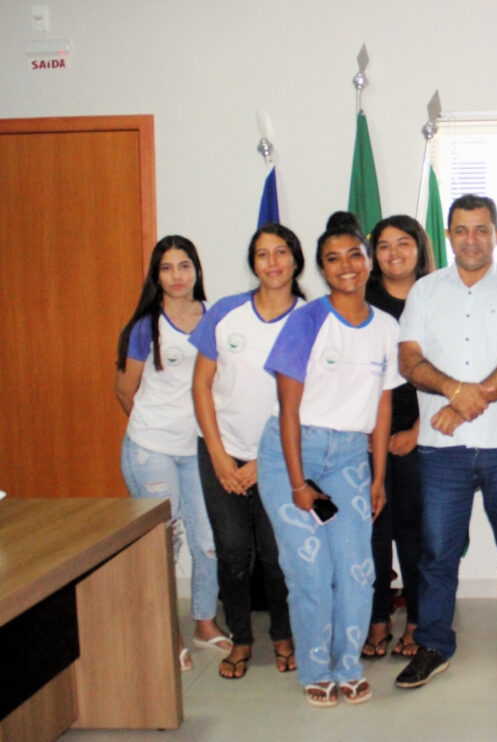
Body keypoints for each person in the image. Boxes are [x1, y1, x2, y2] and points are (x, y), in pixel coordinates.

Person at [395, 194, 497, 692]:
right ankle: (434, 645)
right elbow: (409, 359)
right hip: (441, 452)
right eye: (461, 229)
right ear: (448, 236)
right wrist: (454, 392)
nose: (471, 239)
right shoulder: (424, 291)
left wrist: (467, 400)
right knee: (437, 555)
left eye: (481, 229)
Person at [258, 212, 401, 708]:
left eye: (354, 255)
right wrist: (299, 483)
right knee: (310, 569)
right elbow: (288, 409)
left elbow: (383, 404)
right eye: (332, 259)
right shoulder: (307, 321)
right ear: (321, 268)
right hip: (291, 454)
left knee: (358, 566)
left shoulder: (386, 326)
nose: (346, 266)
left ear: (367, 261)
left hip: (349, 459)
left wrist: (379, 475)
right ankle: (316, 669)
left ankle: (349, 666)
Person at [190, 224, 306, 678]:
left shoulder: (310, 319)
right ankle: (240, 639)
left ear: (295, 260)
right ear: (252, 263)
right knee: (234, 553)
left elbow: (311, 402)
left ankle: (282, 635)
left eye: (281, 253)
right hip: (221, 450)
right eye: (262, 254)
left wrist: (264, 461)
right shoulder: (224, 312)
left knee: (279, 557)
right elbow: (201, 386)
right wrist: (220, 456)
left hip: (280, 457)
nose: (272, 262)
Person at [115, 235, 231, 672]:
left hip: (199, 450)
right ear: (156, 275)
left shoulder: (215, 317)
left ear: (197, 270)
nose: (177, 276)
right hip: (152, 450)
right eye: (167, 268)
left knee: (208, 542)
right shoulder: (148, 324)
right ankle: (164, 634)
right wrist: (157, 427)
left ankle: (204, 623)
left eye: (185, 266)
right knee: (165, 543)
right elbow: (125, 390)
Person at [362, 215, 434, 659]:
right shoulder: (361, 299)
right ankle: (376, 617)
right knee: (372, 528)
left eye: (403, 243)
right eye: (383, 245)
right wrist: (372, 433)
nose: (393, 253)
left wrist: (416, 431)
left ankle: (419, 619)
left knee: (413, 529)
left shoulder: (438, 294)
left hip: (420, 429)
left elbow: (457, 368)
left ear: (419, 248)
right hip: (367, 429)